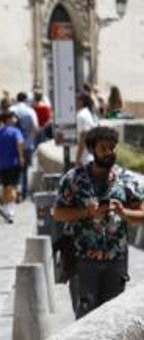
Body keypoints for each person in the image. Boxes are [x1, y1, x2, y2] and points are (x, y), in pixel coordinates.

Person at [52, 126, 144, 318]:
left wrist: (123, 212)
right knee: (85, 318)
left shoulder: (127, 180)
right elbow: (58, 213)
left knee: (112, 319)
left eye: (113, 147)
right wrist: (87, 212)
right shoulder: (74, 179)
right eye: (104, 148)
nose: (110, 152)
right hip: (83, 262)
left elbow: (142, 214)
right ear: (92, 149)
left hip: (116, 262)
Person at [0, 110, 26, 223]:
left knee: (6, 185)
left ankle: (6, 207)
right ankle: (10, 209)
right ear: (8, 119)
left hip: (1, 163)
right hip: (13, 162)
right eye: (13, 118)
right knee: (12, 186)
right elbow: (19, 144)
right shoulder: (15, 131)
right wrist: (21, 157)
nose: (15, 120)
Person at [76, 93, 99, 165]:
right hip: (94, 156)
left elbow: (83, 138)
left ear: (81, 102)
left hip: (86, 159)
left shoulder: (81, 115)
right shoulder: (90, 114)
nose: (75, 103)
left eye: (76, 101)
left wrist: (77, 159)